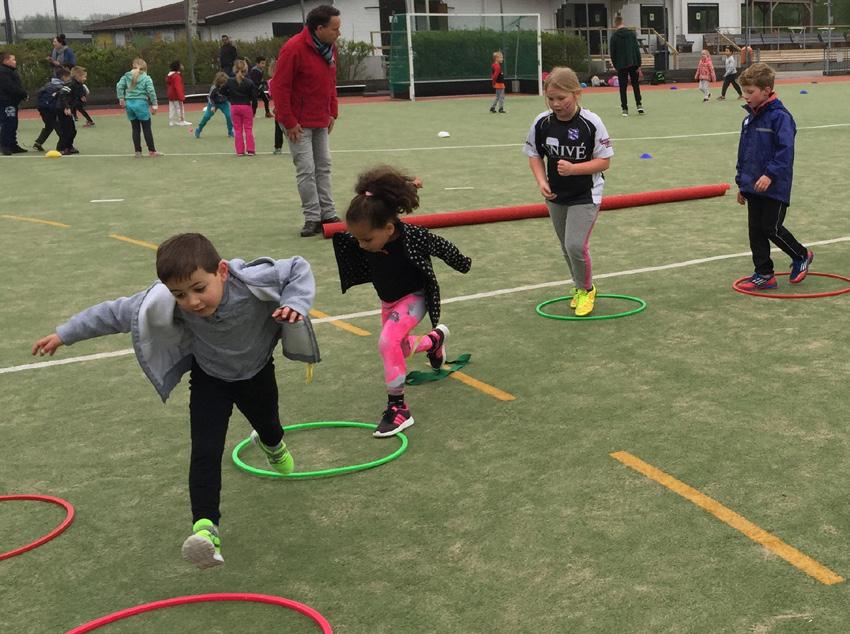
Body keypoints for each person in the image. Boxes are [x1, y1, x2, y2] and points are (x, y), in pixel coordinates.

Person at [31, 233, 315, 569]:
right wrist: (65, 334)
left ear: (222, 271)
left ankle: (273, 445)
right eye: (179, 294)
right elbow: (114, 313)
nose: (192, 301)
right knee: (205, 450)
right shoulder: (166, 301)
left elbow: (297, 267)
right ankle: (206, 530)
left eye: (199, 288)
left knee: (268, 425)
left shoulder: (252, 281)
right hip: (210, 379)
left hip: (256, 372)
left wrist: (296, 302)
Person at [332, 167, 471, 438]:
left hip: (414, 298)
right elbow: (379, 200)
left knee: (387, 342)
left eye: (367, 239)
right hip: (389, 301)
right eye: (358, 239)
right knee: (401, 347)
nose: (361, 245)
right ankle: (434, 341)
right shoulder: (365, 238)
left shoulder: (414, 237)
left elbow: (441, 246)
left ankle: (398, 408)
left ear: (389, 228)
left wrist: (462, 263)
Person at [524, 67, 614, 316]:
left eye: (561, 98)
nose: (555, 104)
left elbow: (605, 161)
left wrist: (574, 169)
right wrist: (541, 180)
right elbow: (534, 154)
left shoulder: (591, 123)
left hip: (586, 194)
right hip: (555, 195)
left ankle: (587, 290)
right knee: (566, 245)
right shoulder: (542, 122)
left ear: (576, 94)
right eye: (550, 98)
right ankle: (578, 286)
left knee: (575, 244)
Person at [735, 63, 812, 291]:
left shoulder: (780, 117)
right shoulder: (749, 119)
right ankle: (764, 273)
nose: (745, 96)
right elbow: (745, 154)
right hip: (752, 186)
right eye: (744, 91)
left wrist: (770, 174)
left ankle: (801, 255)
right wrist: (742, 183)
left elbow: (785, 151)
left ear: (766, 90)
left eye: (750, 92)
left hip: (775, 185)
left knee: (771, 227)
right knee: (755, 230)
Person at [270, 4, 342, 236]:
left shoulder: (330, 49)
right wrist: (289, 121)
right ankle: (312, 217)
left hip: (320, 117)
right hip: (297, 121)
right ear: (319, 28)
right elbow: (280, 87)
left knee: (324, 166)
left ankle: (328, 214)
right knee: (306, 169)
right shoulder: (293, 48)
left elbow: (330, 82)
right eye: (334, 29)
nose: (337, 34)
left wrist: (332, 111)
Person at [116, 58, 162, 157]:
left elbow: (119, 86)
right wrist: (154, 105)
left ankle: (138, 152)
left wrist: (121, 99)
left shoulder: (126, 76)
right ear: (145, 68)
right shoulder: (146, 78)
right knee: (146, 128)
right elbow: (151, 91)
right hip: (141, 104)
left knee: (135, 128)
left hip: (129, 104)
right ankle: (152, 151)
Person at [32, 67, 73, 153]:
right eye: (69, 77)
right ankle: (65, 146)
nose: (70, 79)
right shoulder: (60, 87)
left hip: (43, 109)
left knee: (49, 126)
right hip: (51, 110)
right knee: (60, 128)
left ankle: (38, 143)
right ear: (63, 77)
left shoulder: (48, 84)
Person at [609, 16, 644, 116]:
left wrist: (616, 65)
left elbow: (613, 53)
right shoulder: (631, 34)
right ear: (623, 22)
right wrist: (639, 64)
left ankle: (625, 108)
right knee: (635, 84)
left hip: (621, 64)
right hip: (633, 62)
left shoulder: (614, 37)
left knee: (623, 87)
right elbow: (636, 50)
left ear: (615, 23)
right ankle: (639, 105)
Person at [224, 59, 258, 156]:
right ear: (246, 70)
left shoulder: (229, 81)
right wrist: (254, 110)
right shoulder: (249, 82)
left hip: (234, 107)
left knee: (237, 129)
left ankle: (239, 151)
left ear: (234, 69)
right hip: (246, 107)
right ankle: (251, 150)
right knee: (248, 129)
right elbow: (254, 98)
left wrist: (230, 98)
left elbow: (222, 91)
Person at [0, 51, 29, 155]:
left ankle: (12, 145)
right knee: (8, 124)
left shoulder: (10, 71)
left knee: (13, 124)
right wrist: (23, 94)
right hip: (6, 102)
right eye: (13, 59)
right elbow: (10, 87)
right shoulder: (3, 72)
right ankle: (5, 146)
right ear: (6, 60)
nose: (15, 61)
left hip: (12, 102)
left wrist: (22, 95)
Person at [194, 72, 233, 139]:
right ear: (218, 82)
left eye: (224, 83)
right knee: (206, 116)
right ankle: (199, 129)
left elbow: (230, 95)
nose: (223, 85)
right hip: (213, 103)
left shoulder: (228, 86)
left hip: (224, 103)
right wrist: (213, 106)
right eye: (222, 83)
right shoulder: (214, 88)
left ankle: (230, 132)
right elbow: (210, 97)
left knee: (229, 116)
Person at [166, 60, 192, 127]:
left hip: (170, 95)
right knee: (179, 108)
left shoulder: (169, 75)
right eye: (180, 65)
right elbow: (178, 87)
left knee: (171, 109)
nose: (182, 66)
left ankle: (171, 122)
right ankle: (181, 121)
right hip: (176, 95)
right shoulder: (176, 76)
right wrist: (181, 96)